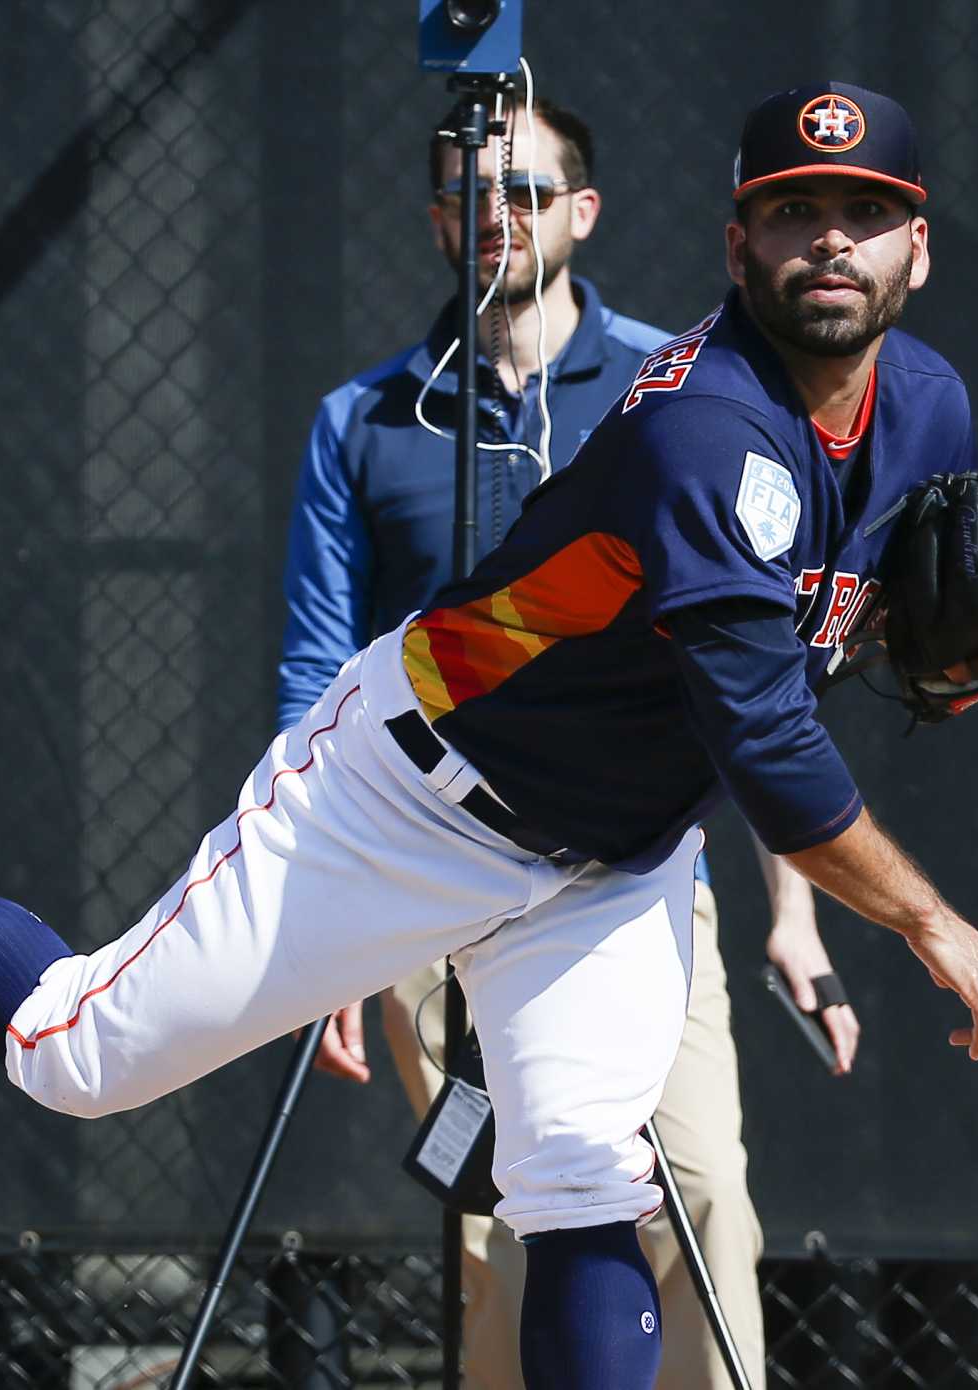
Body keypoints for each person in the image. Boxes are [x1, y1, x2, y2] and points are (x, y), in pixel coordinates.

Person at [0, 82, 978, 1390]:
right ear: (736, 245)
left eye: (866, 214)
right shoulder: (707, 428)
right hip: (416, 796)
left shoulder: (927, 403)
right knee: (77, 1054)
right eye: (795, 212)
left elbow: (864, 611)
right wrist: (928, 918)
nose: (832, 241)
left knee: (585, 1173)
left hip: (611, 856)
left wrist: (935, 640)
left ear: (919, 250)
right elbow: (768, 744)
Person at [275, 94, 858, 1390]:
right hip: (431, 878)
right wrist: (319, 930)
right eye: (468, 195)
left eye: (527, 193)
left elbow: (765, 669)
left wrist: (797, 911)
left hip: (638, 869)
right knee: (506, 1224)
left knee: (703, 1194)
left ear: (583, 213)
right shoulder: (361, 424)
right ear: (434, 219)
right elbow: (316, 672)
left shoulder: (687, 393)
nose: (497, 216)